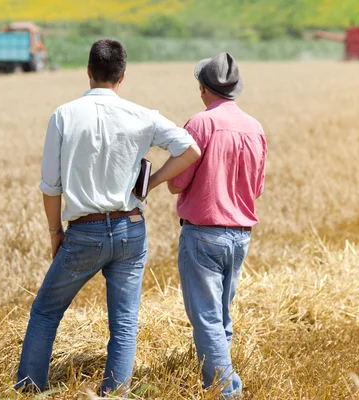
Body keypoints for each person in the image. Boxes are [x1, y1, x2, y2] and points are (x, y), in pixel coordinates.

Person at [15, 39, 200, 395]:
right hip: (131, 229)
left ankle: (27, 391)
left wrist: (55, 233)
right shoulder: (143, 115)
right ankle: (114, 394)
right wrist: (152, 184)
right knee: (125, 323)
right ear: (122, 76)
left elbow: (51, 186)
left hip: (83, 232)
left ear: (88, 72)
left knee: (45, 313)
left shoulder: (64, 115)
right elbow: (190, 149)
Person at [167, 53, 267, 398]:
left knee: (207, 319)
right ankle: (222, 384)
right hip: (241, 236)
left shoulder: (200, 124)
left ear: (202, 88)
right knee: (221, 317)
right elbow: (256, 188)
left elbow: (177, 183)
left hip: (204, 234)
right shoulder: (255, 127)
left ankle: (226, 392)